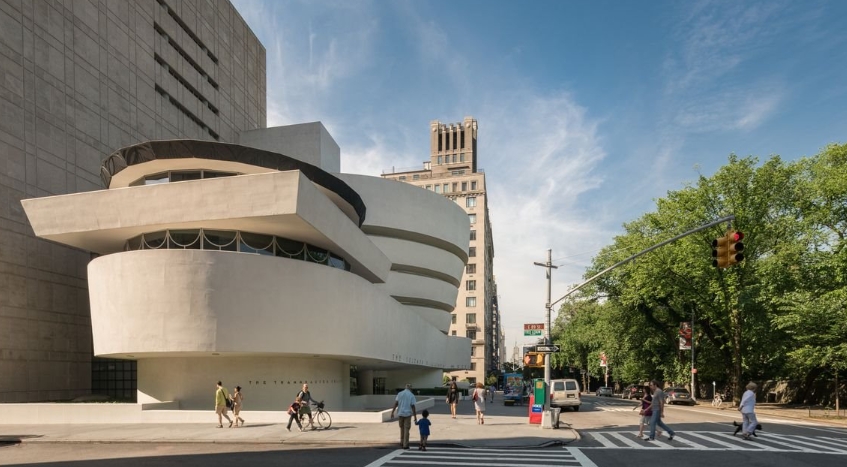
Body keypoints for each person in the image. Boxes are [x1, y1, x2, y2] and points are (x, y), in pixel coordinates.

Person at [391, 383, 417, 450]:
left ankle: (402, 442)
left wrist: (392, 412)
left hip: (400, 413)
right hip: (407, 414)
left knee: (401, 428)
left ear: (405, 387)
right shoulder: (411, 395)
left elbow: (396, 403)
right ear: (410, 388)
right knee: (406, 429)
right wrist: (415, 417)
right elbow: (413, 406)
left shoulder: (400, 394)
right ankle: (405, 444)